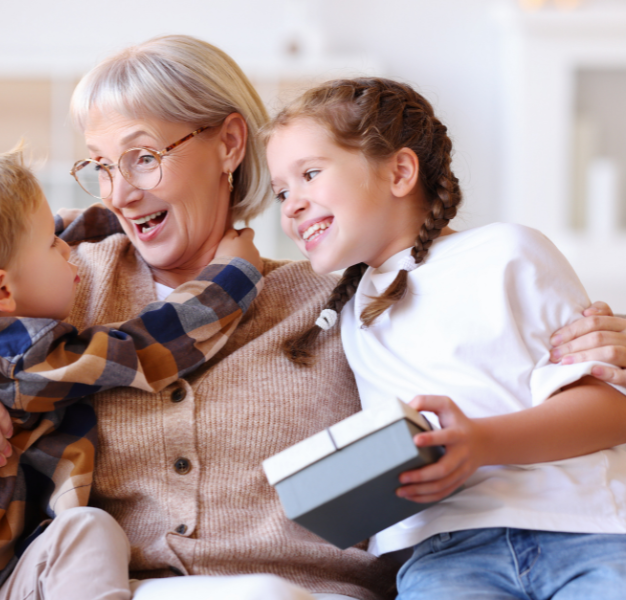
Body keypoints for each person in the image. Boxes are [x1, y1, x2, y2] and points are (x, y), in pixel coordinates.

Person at [0, 36, 626, 600]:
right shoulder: (68, 283)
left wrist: (608, 344)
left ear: (230, 144)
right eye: (100, 166)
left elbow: (479, 339)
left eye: (143, 156)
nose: (119, 192)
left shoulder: (335, 298)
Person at [0, 146, 263, 600]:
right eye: (53, 245)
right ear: (3, 290)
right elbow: (147, 347)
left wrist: (128, 220)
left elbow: (24, 235)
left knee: (85, 529)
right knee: (89, 529)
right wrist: (233, 275)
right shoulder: (16, 361)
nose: (67, 249)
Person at [265, 76, 626, 599]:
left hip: (583, 529)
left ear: (399, 172)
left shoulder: (506, 253)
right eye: (281, 192)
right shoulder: (346, 310)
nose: (290, 205)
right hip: (446, 555)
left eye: (310, 174)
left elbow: (611, 410)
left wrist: (481, 443)